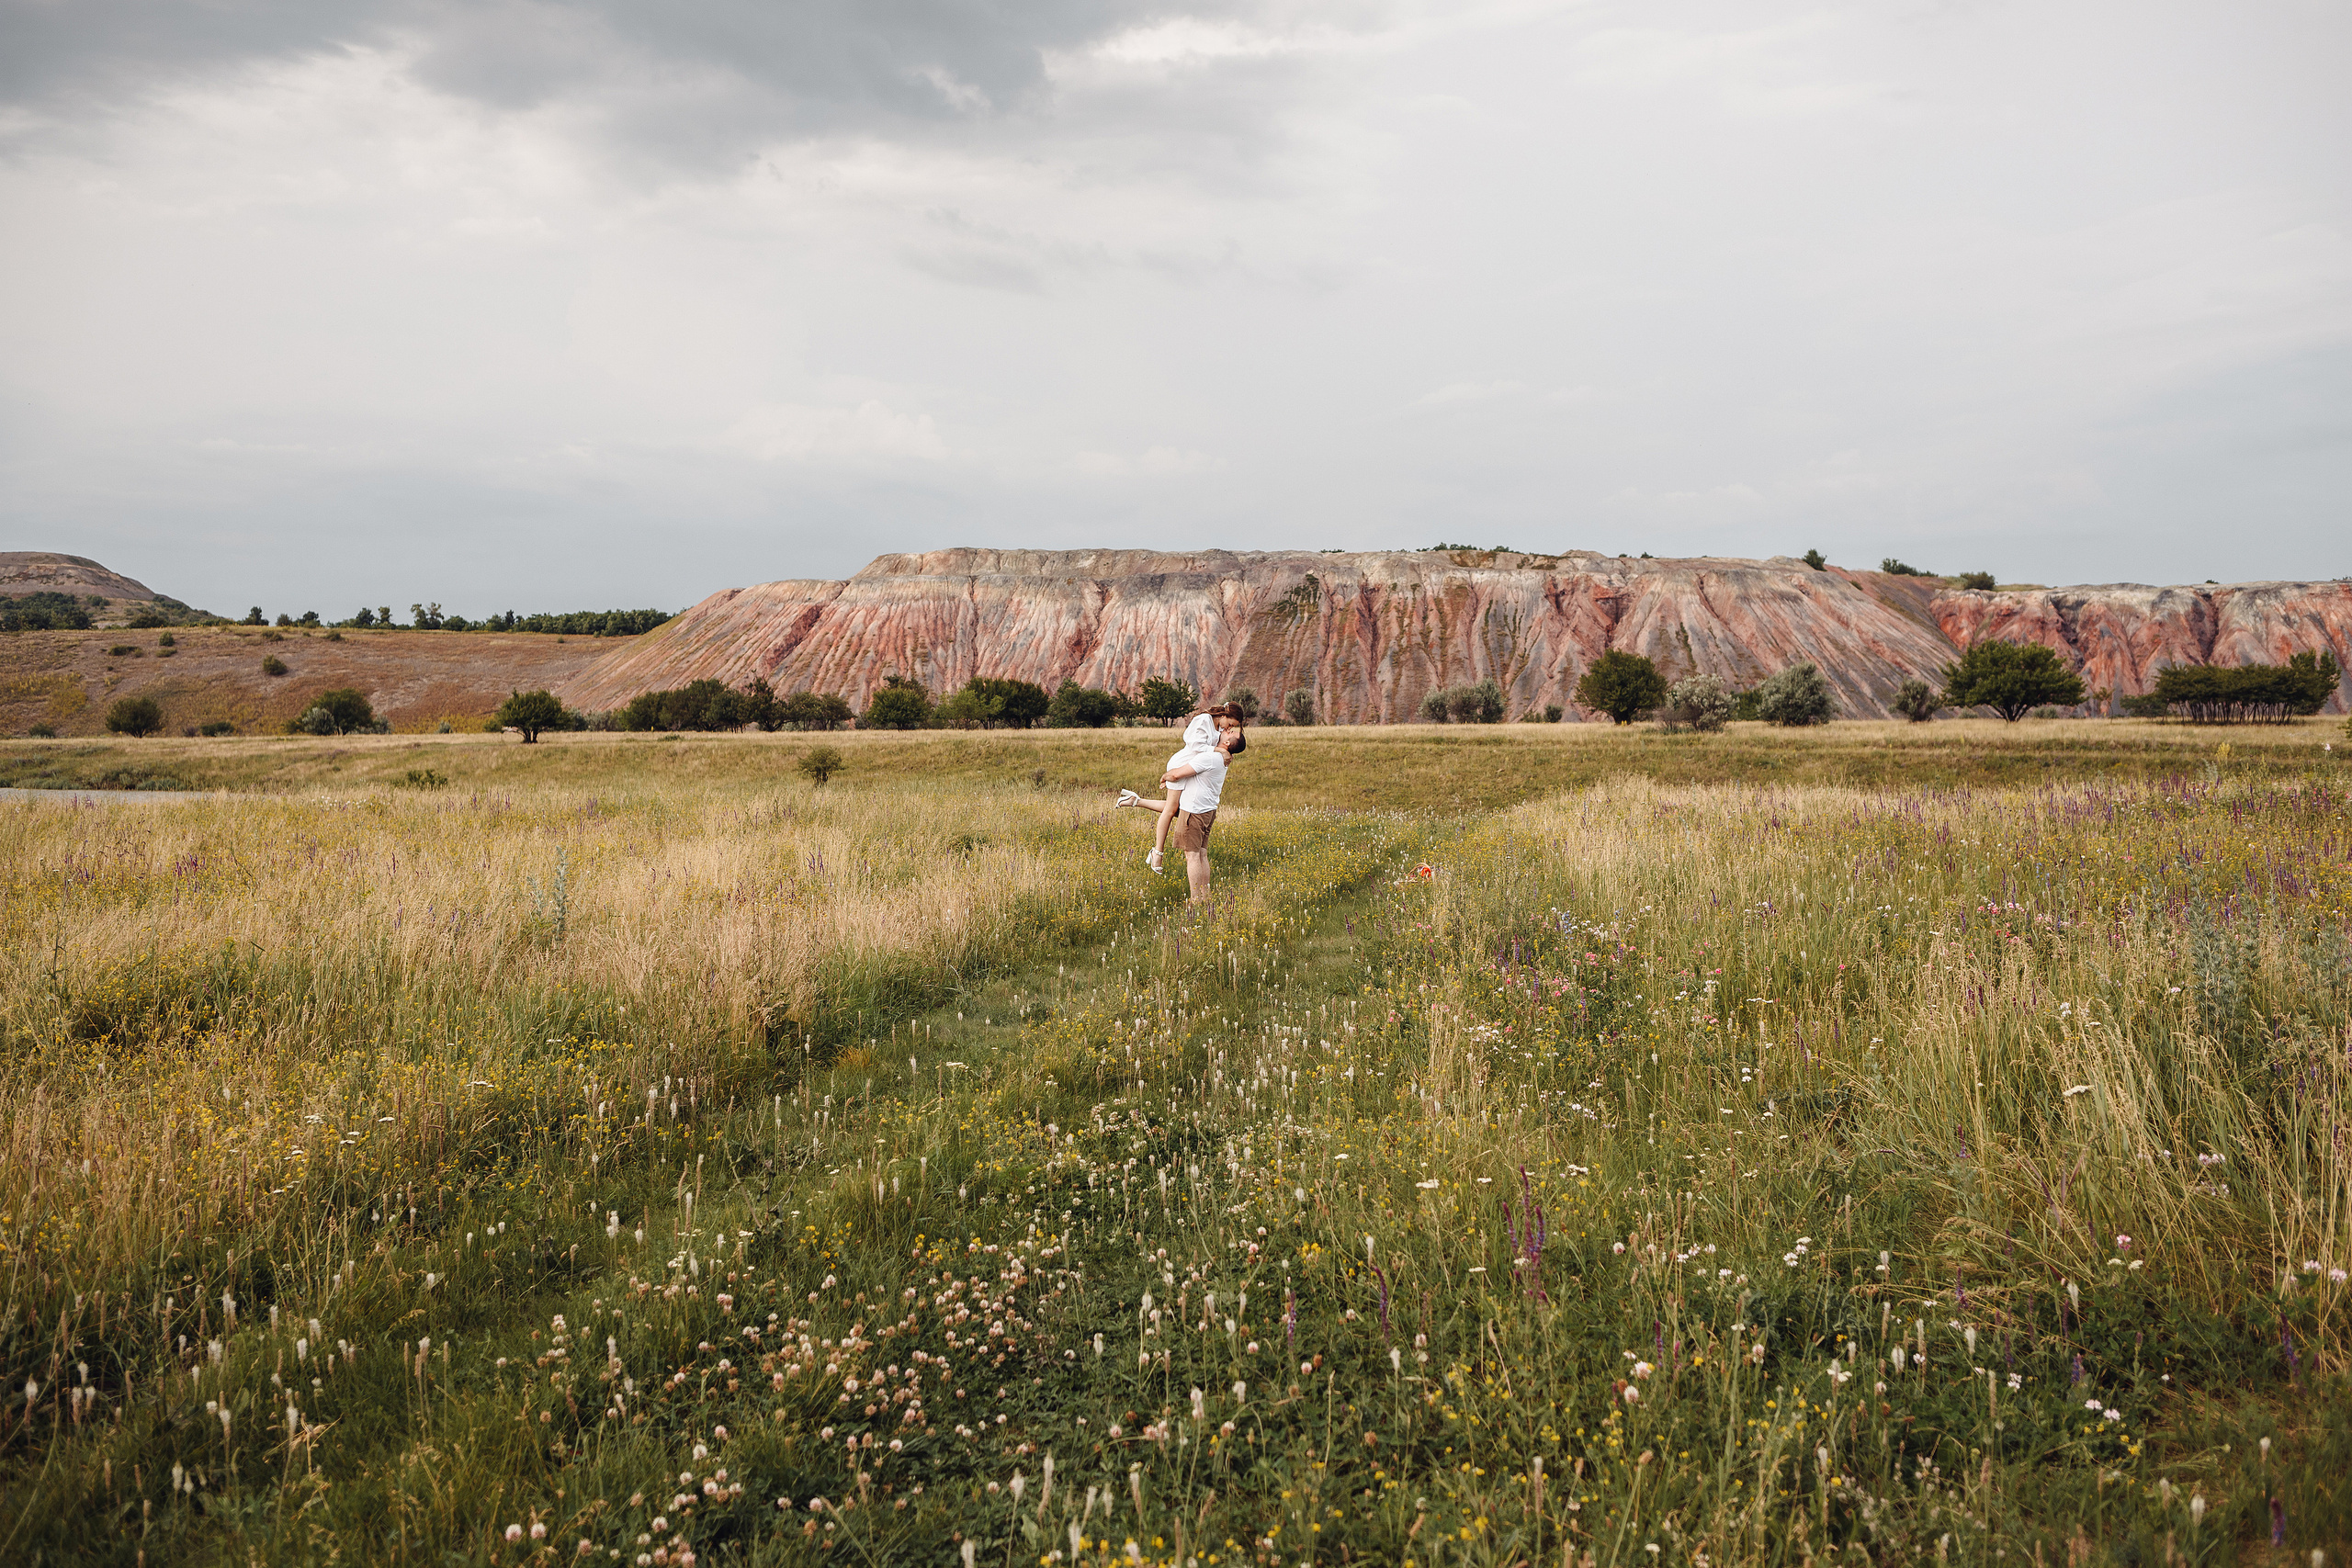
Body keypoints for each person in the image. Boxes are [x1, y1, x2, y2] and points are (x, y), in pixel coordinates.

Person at [1116, 705, 1245, 901]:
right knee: (1171, 810)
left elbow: (1215, 748)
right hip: (1183, 765)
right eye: (1230, 724)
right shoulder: (1205, 722)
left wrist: (1221, 749)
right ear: (1225, 715)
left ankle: (1136, 801)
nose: (1227, 729)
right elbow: (1193, 745)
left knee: (1176, 809)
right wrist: (1219, 749)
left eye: (1231, 728)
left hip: (1192, 768)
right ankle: (1157, 852)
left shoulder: (1218, 735)